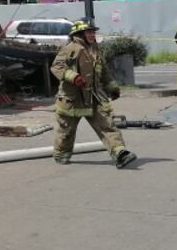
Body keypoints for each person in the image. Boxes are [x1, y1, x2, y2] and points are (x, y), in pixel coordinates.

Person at [50, 20, 137, 168]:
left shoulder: (95, 49)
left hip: (94, 97)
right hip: (72, 100)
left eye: (93, 32)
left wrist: (112, 87)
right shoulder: (70, 49)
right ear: (79, 34)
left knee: (107, 125)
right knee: (66, 131)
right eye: (89, 32)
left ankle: (119, 153)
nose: (92, 34)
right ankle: (61, 154)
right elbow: (56, 66)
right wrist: (73, 77)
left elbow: (104, 72)